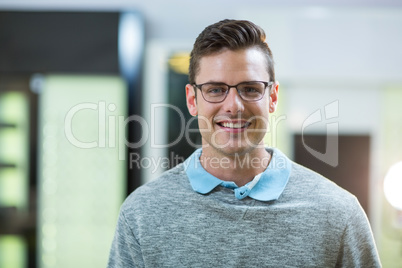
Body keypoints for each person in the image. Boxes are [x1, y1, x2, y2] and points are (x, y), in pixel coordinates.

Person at [108, 19, 381, 267]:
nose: (234, 106)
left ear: (272, 97)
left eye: (250, 89)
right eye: (215, 90)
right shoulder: (141, 215)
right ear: (192, 100)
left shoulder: (338, 214)